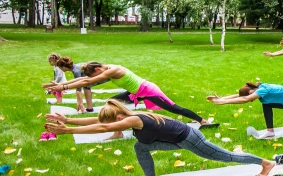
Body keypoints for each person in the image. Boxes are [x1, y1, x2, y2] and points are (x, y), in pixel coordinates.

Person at [44, 100, 275, 176]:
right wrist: (70, 121)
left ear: (119, 115)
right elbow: (98, 122)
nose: (111, 125)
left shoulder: (132, 120)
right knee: (140, 146)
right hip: (176, 139)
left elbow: (99, 129)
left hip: (189, 138)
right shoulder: (130, 115)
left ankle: (265, 163)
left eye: (112, 121)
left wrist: (68, 131)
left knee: (225, 156)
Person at [42, 62, 214, 140]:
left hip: (148, 91)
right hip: (136, 92)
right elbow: (83, 80)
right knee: (111, 103)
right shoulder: (105, 68)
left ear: (99, 69)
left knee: (175, 109)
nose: (98, 78)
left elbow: (87, 82)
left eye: (96, 74)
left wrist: (62, 88)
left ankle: (202, 121)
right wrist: (62, 84)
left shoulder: (113, 70)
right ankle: (117, 131)